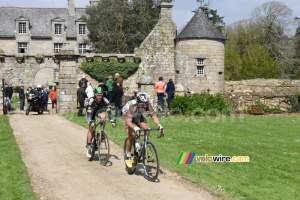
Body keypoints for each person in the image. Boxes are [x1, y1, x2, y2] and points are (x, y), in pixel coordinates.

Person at [122, 92, 165, 168]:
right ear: (138, 102)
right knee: (131, 135)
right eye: (142, 104)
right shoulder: (133, 106)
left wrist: (159, 125)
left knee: (146, 130)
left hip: (138, 114)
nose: (143, 107)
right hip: (127, 115)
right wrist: (135, 128)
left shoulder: (147, 105)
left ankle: (143, 149)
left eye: (145, 105)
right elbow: (128, 122)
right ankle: (128, 156)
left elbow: (154, 117)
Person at [85, 87, 116, 158]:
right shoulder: (92, 100)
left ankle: (101, 132)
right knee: (91, 128)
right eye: (98, 95)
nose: (99, 97)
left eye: (101, 95)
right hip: (91, 111)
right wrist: (90, 121)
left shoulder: (105, 100)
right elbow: (89, 114)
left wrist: (112, 121)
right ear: (95, 95)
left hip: (99, 110)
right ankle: (89, 146)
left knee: (103, 117)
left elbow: (109, 112)